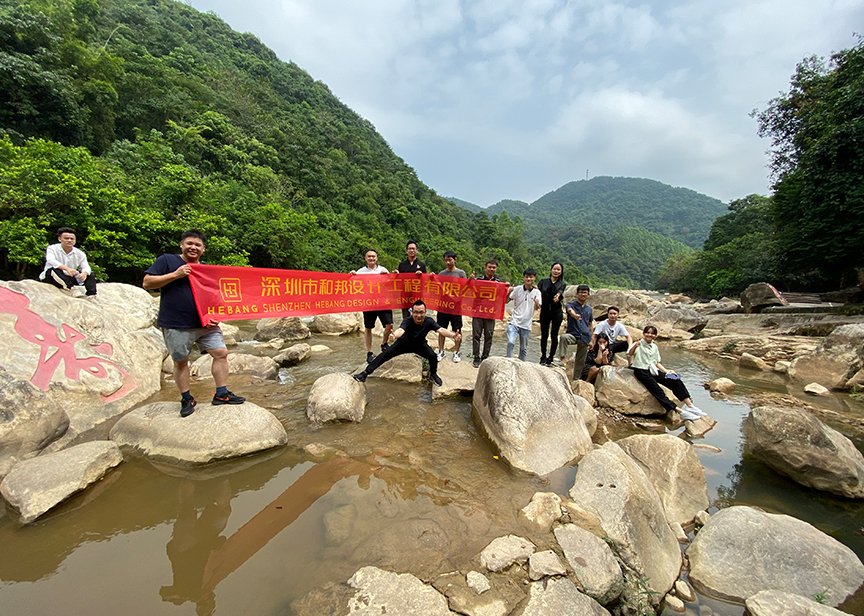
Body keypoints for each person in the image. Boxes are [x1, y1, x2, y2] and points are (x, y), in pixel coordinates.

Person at [143, 230, 245, 417]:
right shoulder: (167, 261)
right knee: (181, 361)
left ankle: (221, 393)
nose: (193, 247)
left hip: (206, 324)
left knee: (221, 353)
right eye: (189, 243)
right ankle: (186, 398)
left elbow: (216, 296)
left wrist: (217, 315)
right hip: (177, 323)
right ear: (181, 244)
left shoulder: (207, 269)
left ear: (203, 249)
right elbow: (147, 283)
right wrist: (176, 274)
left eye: (198, 245)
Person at [353, 300, 461, 386]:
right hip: (403, 344)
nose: (419, 315)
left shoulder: (429, 321)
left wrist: (453, 335)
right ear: (412, 312)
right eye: (416, 312)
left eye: (421, 312)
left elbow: (441, 330)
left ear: (425, 313)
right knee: (384, 355)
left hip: (420, 345)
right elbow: (401, 330)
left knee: (433, 356)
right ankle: (365, 374)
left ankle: (433, 374)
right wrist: (394, 335)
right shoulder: (408, 320)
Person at [628, 325, 707, 421]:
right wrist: (635, 346)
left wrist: (667, 371)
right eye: (647, 333)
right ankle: (679, 411)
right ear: (644, 333)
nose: (650, 335)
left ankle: (690, 406)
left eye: (652, 333)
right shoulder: (638, 343)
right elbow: (629, 354)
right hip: (641, 371)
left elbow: (656, 362)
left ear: (655, 335)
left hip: (653, 370)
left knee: (675, 380)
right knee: (658, 391)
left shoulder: (654, 347)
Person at [351, 249, 393, 363]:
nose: (371, 258)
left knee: (389, 324)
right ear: (365, 258)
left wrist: (389, 276)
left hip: (383, 302)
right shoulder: (360, 272)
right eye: (369, 256)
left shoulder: (383, 270)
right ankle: (369, 352)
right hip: (368, 303)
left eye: (373, 256)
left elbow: (391, 284)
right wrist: (352, 276)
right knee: (368, 327)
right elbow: (353, 285)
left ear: (377, 258)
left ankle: (384, 344)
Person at [39, 227, 97, 297]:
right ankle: (72, 289)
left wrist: (84, 273)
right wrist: (67, 269)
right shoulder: (52, 248)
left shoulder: (80, 253)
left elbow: (86, 267)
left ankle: (91, 294)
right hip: (53, 277)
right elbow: (51, 260)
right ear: (59, 239)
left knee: (90, 275)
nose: (69, 240)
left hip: (69, 277)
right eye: (66, 238)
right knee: (54, 270)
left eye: (72, 239)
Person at [436, 250, 467, 363]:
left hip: (456, 307)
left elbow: (465, 288)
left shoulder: (461, 273)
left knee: (457, 330)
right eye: (446, 260)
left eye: (450, 260)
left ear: (455, 260)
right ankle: (441, 351)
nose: (448, 262)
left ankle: (456, 352)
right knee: (441, 329)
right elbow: (437, 288)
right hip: (443, 306)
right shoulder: (442, 273)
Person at [470, 259, 501, 368]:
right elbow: (468, 288)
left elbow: (501, 296)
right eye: (489, 267)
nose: (491, 269)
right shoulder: (478, 279)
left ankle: (485, 356)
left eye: (494, 267)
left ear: (496, 269)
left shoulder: (498, 282)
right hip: (478, 311)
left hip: (491, 313)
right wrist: (470, 280)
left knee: (489, 335)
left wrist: (507, 287)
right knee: (476, 335)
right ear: (485, 268)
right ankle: (476, 357)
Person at [505, 268, 542, 361]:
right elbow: (506, 301)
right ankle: (508, 361)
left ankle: (522, 364)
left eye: (531, 277)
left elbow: (537, 308)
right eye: (526, 277)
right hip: (514, 321)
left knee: (523, 348)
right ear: (524, 278)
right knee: (510, 342)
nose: (528, 279)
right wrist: (508, 293)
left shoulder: (537, 293)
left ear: (534, 278)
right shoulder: (517, 289)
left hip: (526, 324)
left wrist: (536, 303)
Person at [559, 284, 592, 381]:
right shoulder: (571, 305)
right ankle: (562, 359)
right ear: (577, 294)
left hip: (585, 336)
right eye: (581, 292)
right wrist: (574, 315)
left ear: (588, 295)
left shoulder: (589, 309)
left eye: (585, 292)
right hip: (573, 334)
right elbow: (569, 310)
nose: (583, 294)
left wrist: (592, 338)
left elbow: (590, 324)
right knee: (564, 337)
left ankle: (576, 379)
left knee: (580, 360)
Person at [537, 263, 565, 366]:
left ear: (561, 272)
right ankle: (543, 356)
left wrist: (558, 296)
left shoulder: (562, 283)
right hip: (544, 311)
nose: (556, 271)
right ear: (551, 270)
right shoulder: (543, 282)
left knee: (554, 335)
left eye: (558, 270)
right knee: (544, 334)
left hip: (556, 312)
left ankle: (551, 357)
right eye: (554, 269)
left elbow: (560, 291)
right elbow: (537, 292)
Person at [397, 240, 426, 321]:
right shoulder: (402, 265)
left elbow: (425, 281)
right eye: (409, 249)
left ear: (417, 251)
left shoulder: (422, 265)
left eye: (413, 249)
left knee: (418, 315)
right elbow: (398, 280)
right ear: (406, 251)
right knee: (405, 317)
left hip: (417, 294)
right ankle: (406, 332)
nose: (411, 251)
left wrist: (422, 275)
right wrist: (395, 275)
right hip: (405, 294)